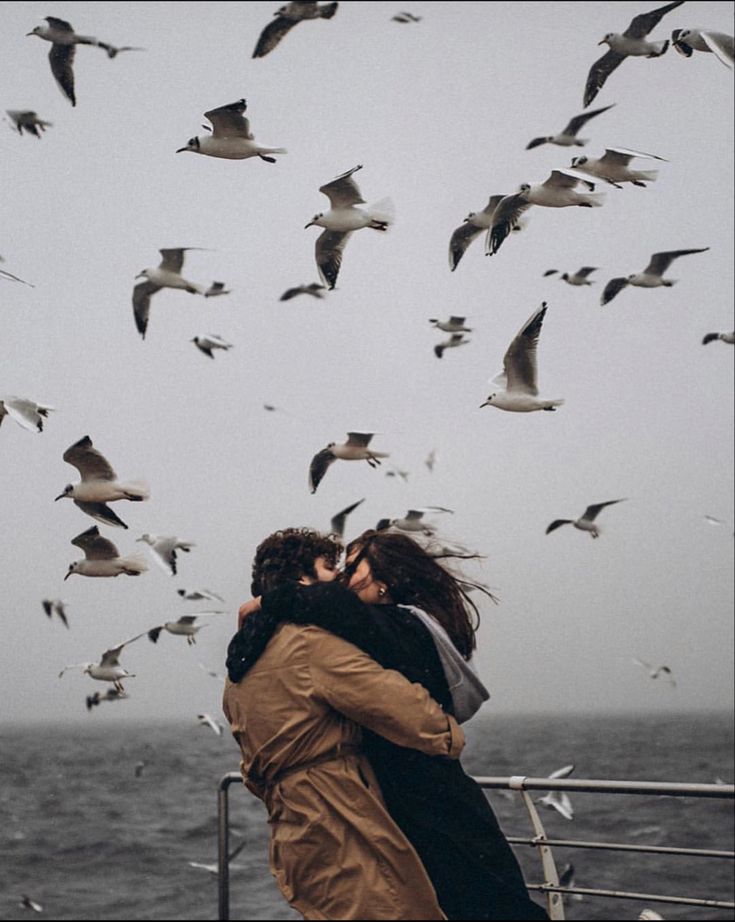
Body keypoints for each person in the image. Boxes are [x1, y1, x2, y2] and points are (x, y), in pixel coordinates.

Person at [228, 528, 549, 921]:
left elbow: (252, 769)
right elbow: (411, 716)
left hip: (292, 832)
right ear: (302, 580)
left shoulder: (241, 666)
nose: (341, 578)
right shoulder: (311, 645)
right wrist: (449, 736)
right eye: (332, 568)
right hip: (347, 818)